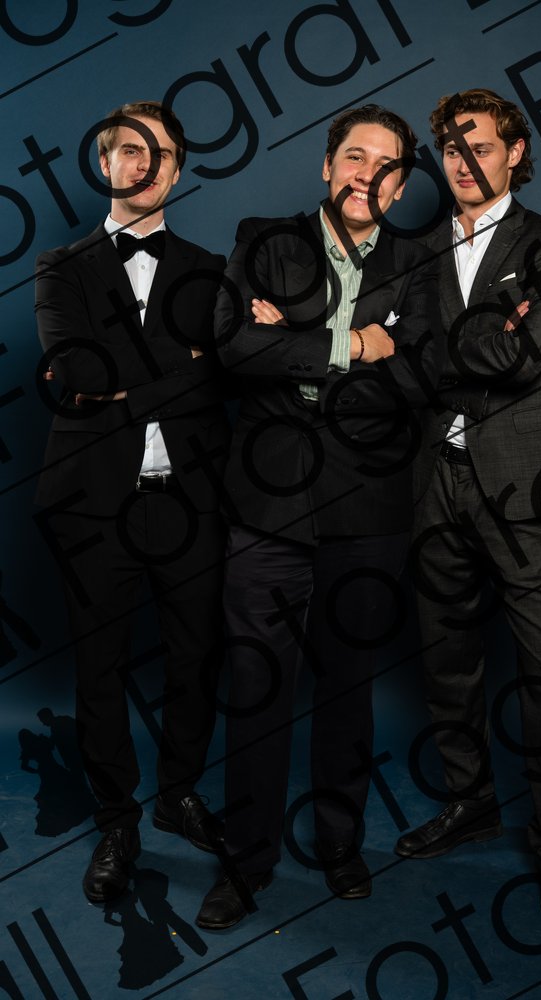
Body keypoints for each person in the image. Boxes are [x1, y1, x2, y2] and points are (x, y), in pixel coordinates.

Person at [197, 104, 441, 929]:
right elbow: (234, 348)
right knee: (256, 685)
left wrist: (293, 341)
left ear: (399, 186)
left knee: (348, 684)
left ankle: (339, 844)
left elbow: (421, 379)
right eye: (354, 157)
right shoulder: (264, 240)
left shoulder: (418, 261)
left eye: (385, 165)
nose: (367, 175)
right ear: (327, 167)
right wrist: (354, 343)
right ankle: (247, 860)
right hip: (265, 505)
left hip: (368, 508)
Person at [395, 88, 541, 928]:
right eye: (450, 149)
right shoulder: (414, 250)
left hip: (518, 480)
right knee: (447, 659)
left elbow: (523, 359)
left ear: (513, 152)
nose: (463, 162)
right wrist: (479, 339)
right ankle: (469, 801)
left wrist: (428, 348)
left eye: (478, 145)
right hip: (430, 479)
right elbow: (393, 367)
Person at [34, 101, 229, 903]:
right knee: (99, 668)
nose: (145, 165)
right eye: (130, 150)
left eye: (162, 154)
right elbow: (76, 371)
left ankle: (178, 792)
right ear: (105, 163)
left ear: (177, 171)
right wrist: (185, 358)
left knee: (196, 656)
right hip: (91, 501)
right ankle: (117, 819)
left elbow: (224, 379)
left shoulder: (212, 268)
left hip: (190, 498)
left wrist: (132, 374)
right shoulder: (59, 267)